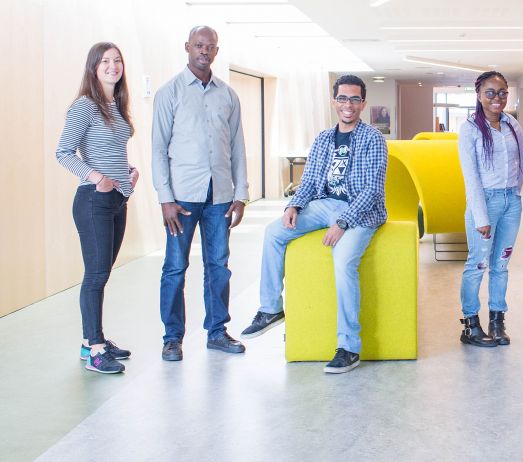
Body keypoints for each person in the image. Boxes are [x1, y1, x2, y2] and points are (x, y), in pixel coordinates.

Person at [241, 75, 387, 374]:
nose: (349, 105)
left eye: (355, 99)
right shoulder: (323, 138)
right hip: (324, 205)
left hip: (360, 211)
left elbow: (372, 190)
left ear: (363, 103)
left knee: (343, 260)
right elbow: (308, 181)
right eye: (343, 98)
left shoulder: (373, 139)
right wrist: (294, 205)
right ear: (334, 101)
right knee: (273, 232)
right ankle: (270, 308)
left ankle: (348, 346)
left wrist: (343, 223)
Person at [152, 26, 250, 361]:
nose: (204, 51)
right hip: (181, 197)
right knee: (175, 267)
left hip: (220, 195)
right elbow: (157, 149)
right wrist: (165, 198)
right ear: (187, 47)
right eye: (198, 45)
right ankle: (172, 338)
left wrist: (241, 193)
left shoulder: (228, 95)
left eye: (210, 47)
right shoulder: (170, 92)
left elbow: (237, 146)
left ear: (216, 52)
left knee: (218, 266)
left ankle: (217, 332)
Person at [56, 42, 138, 374]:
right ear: (93, 67)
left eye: (117, 60)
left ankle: (94, 339)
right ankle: (93, 349)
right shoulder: (85, 106)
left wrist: (128, 175)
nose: (112, 66)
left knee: (102, 275)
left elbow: (111, 149)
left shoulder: (115, 106)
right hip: (93, 200)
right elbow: (63, 152)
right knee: (95, 275)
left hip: (117, 200)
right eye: (105, 61)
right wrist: (97, 177)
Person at [457, 71, 523, 347]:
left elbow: (522, 161)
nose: (497, 98)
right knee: (478, 263)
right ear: (478, 95)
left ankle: (497, 321)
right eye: (490, 92)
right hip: (484, 202)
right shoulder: (470, 128)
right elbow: (470, 175)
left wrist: (515, 193)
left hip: (511, 202)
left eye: (502, 93)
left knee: (502, 264)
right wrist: (481, 215)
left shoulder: (512, 125)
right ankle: (470, 324)